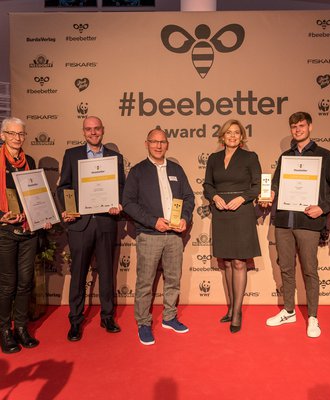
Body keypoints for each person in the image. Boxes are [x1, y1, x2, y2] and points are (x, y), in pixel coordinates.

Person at [262, 111, 330, 338]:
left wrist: (323, 207)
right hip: (284, 221)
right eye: (294, 127)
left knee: (310, 270)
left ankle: (313, 317)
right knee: (286, 268)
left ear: (310, 127)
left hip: (309, 222)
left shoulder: (325, 156)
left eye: (301, 125)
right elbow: (276, 185)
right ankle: (289, 310)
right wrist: (270, 193)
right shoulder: (285, 157)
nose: (297, 130)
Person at [122, 128, 194, 346]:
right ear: (147, 144)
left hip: (174, 236)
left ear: (167, 144)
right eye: (154, 141)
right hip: (150, 234)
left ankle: (169, 317)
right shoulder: (137, 171)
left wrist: (185, 218)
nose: (158, 146)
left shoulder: (176, 170)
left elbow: (189, 197)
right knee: (145, 282)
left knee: (173, 279)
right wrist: (153, 221)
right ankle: (143, 323)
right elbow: (128, 203)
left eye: (162, 142)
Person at [57, 116, 125, 341]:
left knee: (107, 273)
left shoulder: (115, 157)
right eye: (89, 129)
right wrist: (69, 208)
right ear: (83, 132)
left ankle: (108, 317)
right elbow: (64, 187)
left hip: (105, 222)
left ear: (103, 130)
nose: (93, 132)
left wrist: (118, 203)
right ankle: (75, 320)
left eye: (96, 129)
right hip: (80, 223)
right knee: (78, 274)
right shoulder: (72, 154)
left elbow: (121, 186)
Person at [203, 119, 262, 333]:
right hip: (221, 213)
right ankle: (230, 308)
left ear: (242, 136)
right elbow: (207, 185)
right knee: (227, 263)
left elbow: (257, 186)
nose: (233, 136)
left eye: (237, 132)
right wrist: (215, 197)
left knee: (238, 262)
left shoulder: (250, 157)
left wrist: (243, 198)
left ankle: (237, 312)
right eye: (229, 132)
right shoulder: (214, 158)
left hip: (241, 212)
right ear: (223, 135)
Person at [0, 117, 51, 354]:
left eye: (21, 134)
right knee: (7, 285)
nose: (17, 138)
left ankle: (21, 328)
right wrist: (2, 216)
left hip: (29, 231)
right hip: (5, 233)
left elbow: (36, 195)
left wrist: (43, 216)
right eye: (12, 133)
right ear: (3, 135)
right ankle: (4, 331)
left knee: (24, 284)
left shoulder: (29, 161)